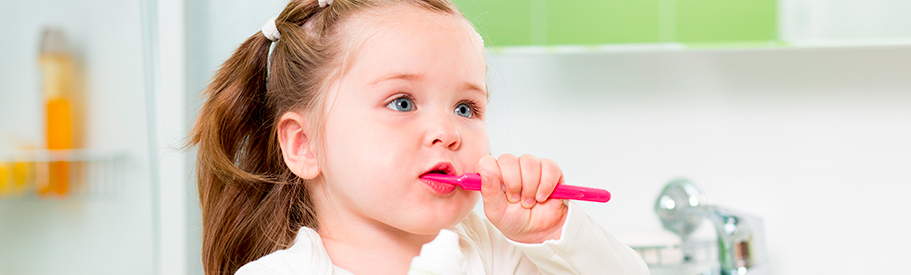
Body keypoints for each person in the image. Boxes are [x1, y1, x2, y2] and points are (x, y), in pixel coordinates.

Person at [190, 0, 649, 274]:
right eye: (402, 103)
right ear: (304, 145)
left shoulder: (491, 251)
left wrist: (553, 235)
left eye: (466, 108)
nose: (447, 132)